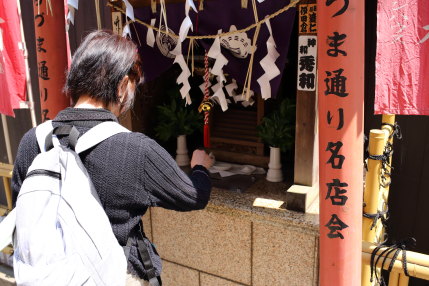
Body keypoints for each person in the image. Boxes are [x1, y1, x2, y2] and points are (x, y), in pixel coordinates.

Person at [12, 30, 213, 285]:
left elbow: (24, 206)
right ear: (121, 87)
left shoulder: (34, 140)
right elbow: (193, 196)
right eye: (134, 83)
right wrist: (199, 167)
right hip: (114, 275)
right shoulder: (136, 150)